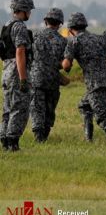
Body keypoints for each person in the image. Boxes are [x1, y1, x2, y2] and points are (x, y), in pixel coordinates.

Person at [62, 12, 106, 144]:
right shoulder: (99, 38)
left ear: (71, 29)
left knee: (102, 117)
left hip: (94, 84)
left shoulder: (74, 42)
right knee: (84, 106)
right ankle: (88, 138)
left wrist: (63, 65)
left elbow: (66, 65)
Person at [0, 0, 35, 151]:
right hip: (16, 71)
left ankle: (4, 140)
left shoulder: (7, 25)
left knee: (7, 108)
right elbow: (20, 52)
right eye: (29, 10)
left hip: (6, 70)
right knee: (19, 107)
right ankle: (13, 142)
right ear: (24, 10)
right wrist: (23, 79)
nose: (30, 14)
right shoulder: (20, 26)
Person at [30, 8, 67, 142]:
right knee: (49, 107)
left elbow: (28, 56)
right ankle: (45, 133)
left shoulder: (35, 36)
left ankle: (38, 136)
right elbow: (65, 64)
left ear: (45, 21)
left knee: (37, 107)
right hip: (53, 79)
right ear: (60, 23)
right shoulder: (63, 41)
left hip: (36, 77)